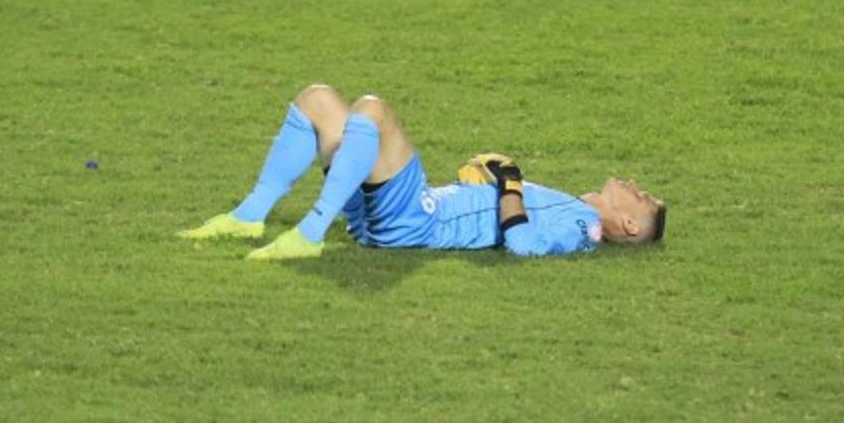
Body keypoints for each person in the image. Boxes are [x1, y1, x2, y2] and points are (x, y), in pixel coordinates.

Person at [179, 84, 666, 260]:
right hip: (413, 212)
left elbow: (522, 245)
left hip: (419, 221)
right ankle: (248, 217)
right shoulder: (570, 207)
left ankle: (310, 233)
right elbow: (505, 213)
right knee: (318, 99)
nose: (634, 186)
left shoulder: (583, 228)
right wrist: (487, 183)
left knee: (373, 111)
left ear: (628, 224)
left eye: (642, 197)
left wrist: (510, 181)